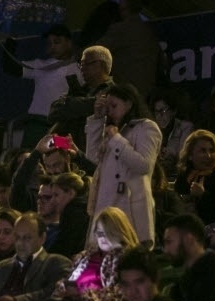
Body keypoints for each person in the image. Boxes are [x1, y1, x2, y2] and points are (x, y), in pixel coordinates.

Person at [85, 82, 161, 245]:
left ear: (129, 103)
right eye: (107, 108)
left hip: (129, 208)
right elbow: (91, 158)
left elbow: (144, 165)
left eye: (114, 106)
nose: (110, 112)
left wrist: (117, 140)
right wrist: (98, 119)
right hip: (105, 207)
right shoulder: (112, 132)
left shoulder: (146, 128)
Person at [45, 206, 138, 301]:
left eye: (108, 233)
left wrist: (81, 294)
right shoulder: (86, 256)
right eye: (99, 233)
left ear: (119, 232)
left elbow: (119, 295)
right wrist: (63, 286)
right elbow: (69, 280)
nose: (103, 237)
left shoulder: (126, 258)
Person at [0, 211, 72, 301]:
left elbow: (55, 292)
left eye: (27, 238)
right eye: (17, 237)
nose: (20, 243)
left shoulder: (56, 263)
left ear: (42, 238)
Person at [2, 23, 80, 148]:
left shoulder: (80, 69)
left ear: (69, 43)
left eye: (57, 42)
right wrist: (11, 41)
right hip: (36, 126)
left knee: (58, 159)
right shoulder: (41, 66)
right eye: (49, 43)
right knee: (29, 159)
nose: (53, 46)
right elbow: (10, 67)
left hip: (61, 128)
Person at [48, 45, 116, 153]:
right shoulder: (79, 90)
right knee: (48, 142)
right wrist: (92, 103)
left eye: (86, 64)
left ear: (101, 65)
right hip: (69, 147)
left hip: (91, 151)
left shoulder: (114, 93)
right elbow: (54, 111)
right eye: (81, 65)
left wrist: (73, 105)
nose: (82, 68)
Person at [96, 0, 159, 97]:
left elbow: (93, 52)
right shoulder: (149, 31)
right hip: (147, 94)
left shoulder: (120, 29)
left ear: (124, 5)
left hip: (126, 95)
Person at [173, 129, 215, 225]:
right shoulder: (184, 175)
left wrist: (203, 195)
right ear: (190, 155)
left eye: (211, 150)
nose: (209, 156)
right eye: (203, 151)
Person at [37, 172, 91, 260]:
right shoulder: (81, 210)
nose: (53, 201)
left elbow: (63, 246)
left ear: (71, 193)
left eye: (56, 195)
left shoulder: (73, 213)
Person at [150, 88, 195, 175]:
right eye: (156, 112)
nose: (159, 116)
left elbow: (182, 159)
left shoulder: (185, 128)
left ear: (173, 111)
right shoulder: (152, 130)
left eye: (163, 111)